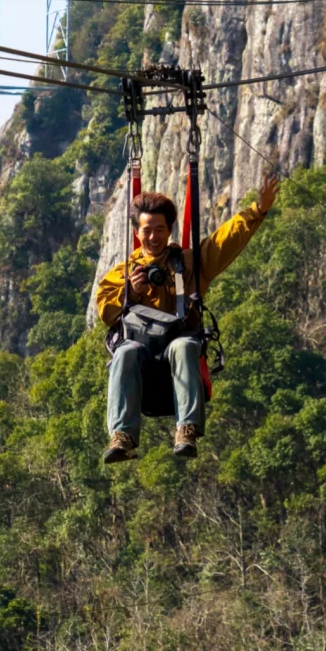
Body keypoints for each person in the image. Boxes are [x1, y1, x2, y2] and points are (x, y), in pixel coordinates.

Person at [95, 175, 278, 464]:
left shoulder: (189, 264)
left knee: (183, 345)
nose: (153, 237)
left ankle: (187, 429)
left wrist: (258, 209)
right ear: (136, 232)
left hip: (177, 357)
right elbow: (105, 312)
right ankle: (122, 437)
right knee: (124, 352)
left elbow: (224, 241)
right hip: (142, 362)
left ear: (169, 231)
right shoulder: (121, 273)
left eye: (159, 229)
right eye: (146, 230)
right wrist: (130, 291)